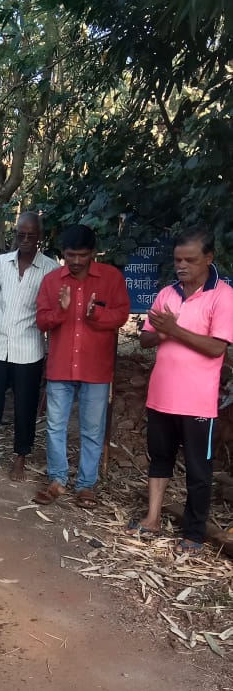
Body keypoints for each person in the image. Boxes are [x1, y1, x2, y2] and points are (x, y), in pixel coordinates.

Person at [131, 226, 233, 552]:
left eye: (190, 259)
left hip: (198, 403)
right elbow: (146, 339)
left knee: (198, 470)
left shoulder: (223, 296)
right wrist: (161, 332)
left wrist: (174, 329)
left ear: (209, 258)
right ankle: (152, 518)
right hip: (161, 396)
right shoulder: (167, 294)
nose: (182, 266)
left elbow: (217, 348)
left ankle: (193, 534)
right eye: (177, 259)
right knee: (159, 459)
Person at [34, 224, 130, 509]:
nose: (75, 261)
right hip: (61, 366)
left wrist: (96, 314)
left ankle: (86, 485)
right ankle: (57, 479)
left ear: (93, 253)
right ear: (62, 253)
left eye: (82, 255)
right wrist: (62, 311)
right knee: (55, 426)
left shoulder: (111, 278)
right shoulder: (52, 281)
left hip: (96, 368)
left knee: (91, 429)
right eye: (70, 255)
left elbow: (122, 314)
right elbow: (41, 321)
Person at [0, 212, 60, 480]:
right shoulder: (0, 263)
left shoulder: (50, 269)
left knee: (25, 406)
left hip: (29, 347)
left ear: (39, 237)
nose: (25, 240)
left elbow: (52, 311)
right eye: (20, 234)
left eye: (30, 236)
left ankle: (20, 457)